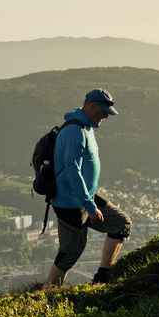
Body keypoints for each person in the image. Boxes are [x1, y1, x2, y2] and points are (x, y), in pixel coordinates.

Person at [47, 89, 131, 286]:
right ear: (91, 106)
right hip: (70, 203)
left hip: (85, 198)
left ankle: (103, 275)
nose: (105, 117)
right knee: (70, 252)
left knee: (121, 224)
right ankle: (47, 293)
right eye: (103, 112)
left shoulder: (87, 128)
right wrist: (90, 206)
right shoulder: (74, 131)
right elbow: (71, 170)